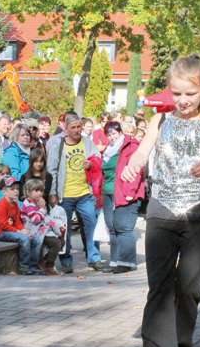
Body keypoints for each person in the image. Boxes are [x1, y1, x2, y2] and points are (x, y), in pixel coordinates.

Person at [122, 55, 200, 347]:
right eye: (176, 93)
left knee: (189, 288)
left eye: (189, 94)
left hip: (199, 216)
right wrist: (134, 165)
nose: (182, 101)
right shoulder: (159, 121)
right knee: (160, 285)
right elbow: (143, 150)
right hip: (162, 212)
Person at [47, 112, 104, 273]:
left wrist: (91, 164)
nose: (77, 130)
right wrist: (52, 194)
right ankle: (66, 260)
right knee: (65, 231)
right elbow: (52, 171)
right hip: (64, 195)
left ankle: (94, 258)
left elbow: (98, 159)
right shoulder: (58, 145)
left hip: (85, 193)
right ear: (66, 129)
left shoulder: (87, 142)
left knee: (91, 225)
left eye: (79, 126)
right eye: (74, 127)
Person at [99, 120, 146, 275]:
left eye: (114, 133)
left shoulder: (130, 146)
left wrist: (130, 192)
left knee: (124, 227)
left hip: (125, 191)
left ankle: (126, 261)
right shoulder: (109, 150)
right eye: (108, 135)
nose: (111, 137)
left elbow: (136, 169)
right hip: (108, 192)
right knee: (112, 227)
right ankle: (115, 260)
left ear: (120, 132)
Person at [0, 177, 41, 275]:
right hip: (1, 233)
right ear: (4, 192)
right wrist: (20, 232)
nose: (16, 191)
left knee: (35, 239)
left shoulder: (15, 205)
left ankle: (33, 265)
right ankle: (23, 266)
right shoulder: (1, 205)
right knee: (24, 239)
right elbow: (3, 225)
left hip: (12, 231)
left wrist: (24, 230)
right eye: (12, 189)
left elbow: (17, 222)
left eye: (17, 188)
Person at [20, 179, 64, 275]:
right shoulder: (28, 204)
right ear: (28, 192)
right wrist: (42, 209)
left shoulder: (36, 202)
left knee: (61, 241)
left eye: (41, 191)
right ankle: (49, 266)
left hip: (41, 228)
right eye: (36, 191)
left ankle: (43, 260)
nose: (39, 193)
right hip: (33, 230)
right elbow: (35, 220)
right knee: (56, 243)